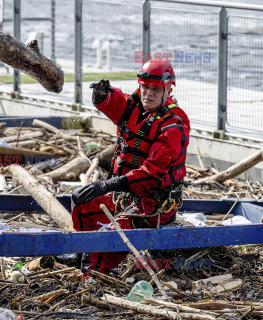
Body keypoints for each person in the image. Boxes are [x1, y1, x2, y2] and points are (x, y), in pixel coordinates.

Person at [71, 59, 190, 274]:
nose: (148, 94)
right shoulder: (135, 106)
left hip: (155, 206)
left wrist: (106, 185)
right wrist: (101, 94)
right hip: (125, 196)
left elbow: (152, 174)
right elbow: (115, 102)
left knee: (110, 235)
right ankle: (82, 255)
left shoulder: (173, 126)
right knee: (81, 205)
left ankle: (92, 275)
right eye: (145, 87)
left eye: (156, 89)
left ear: (168, 90)